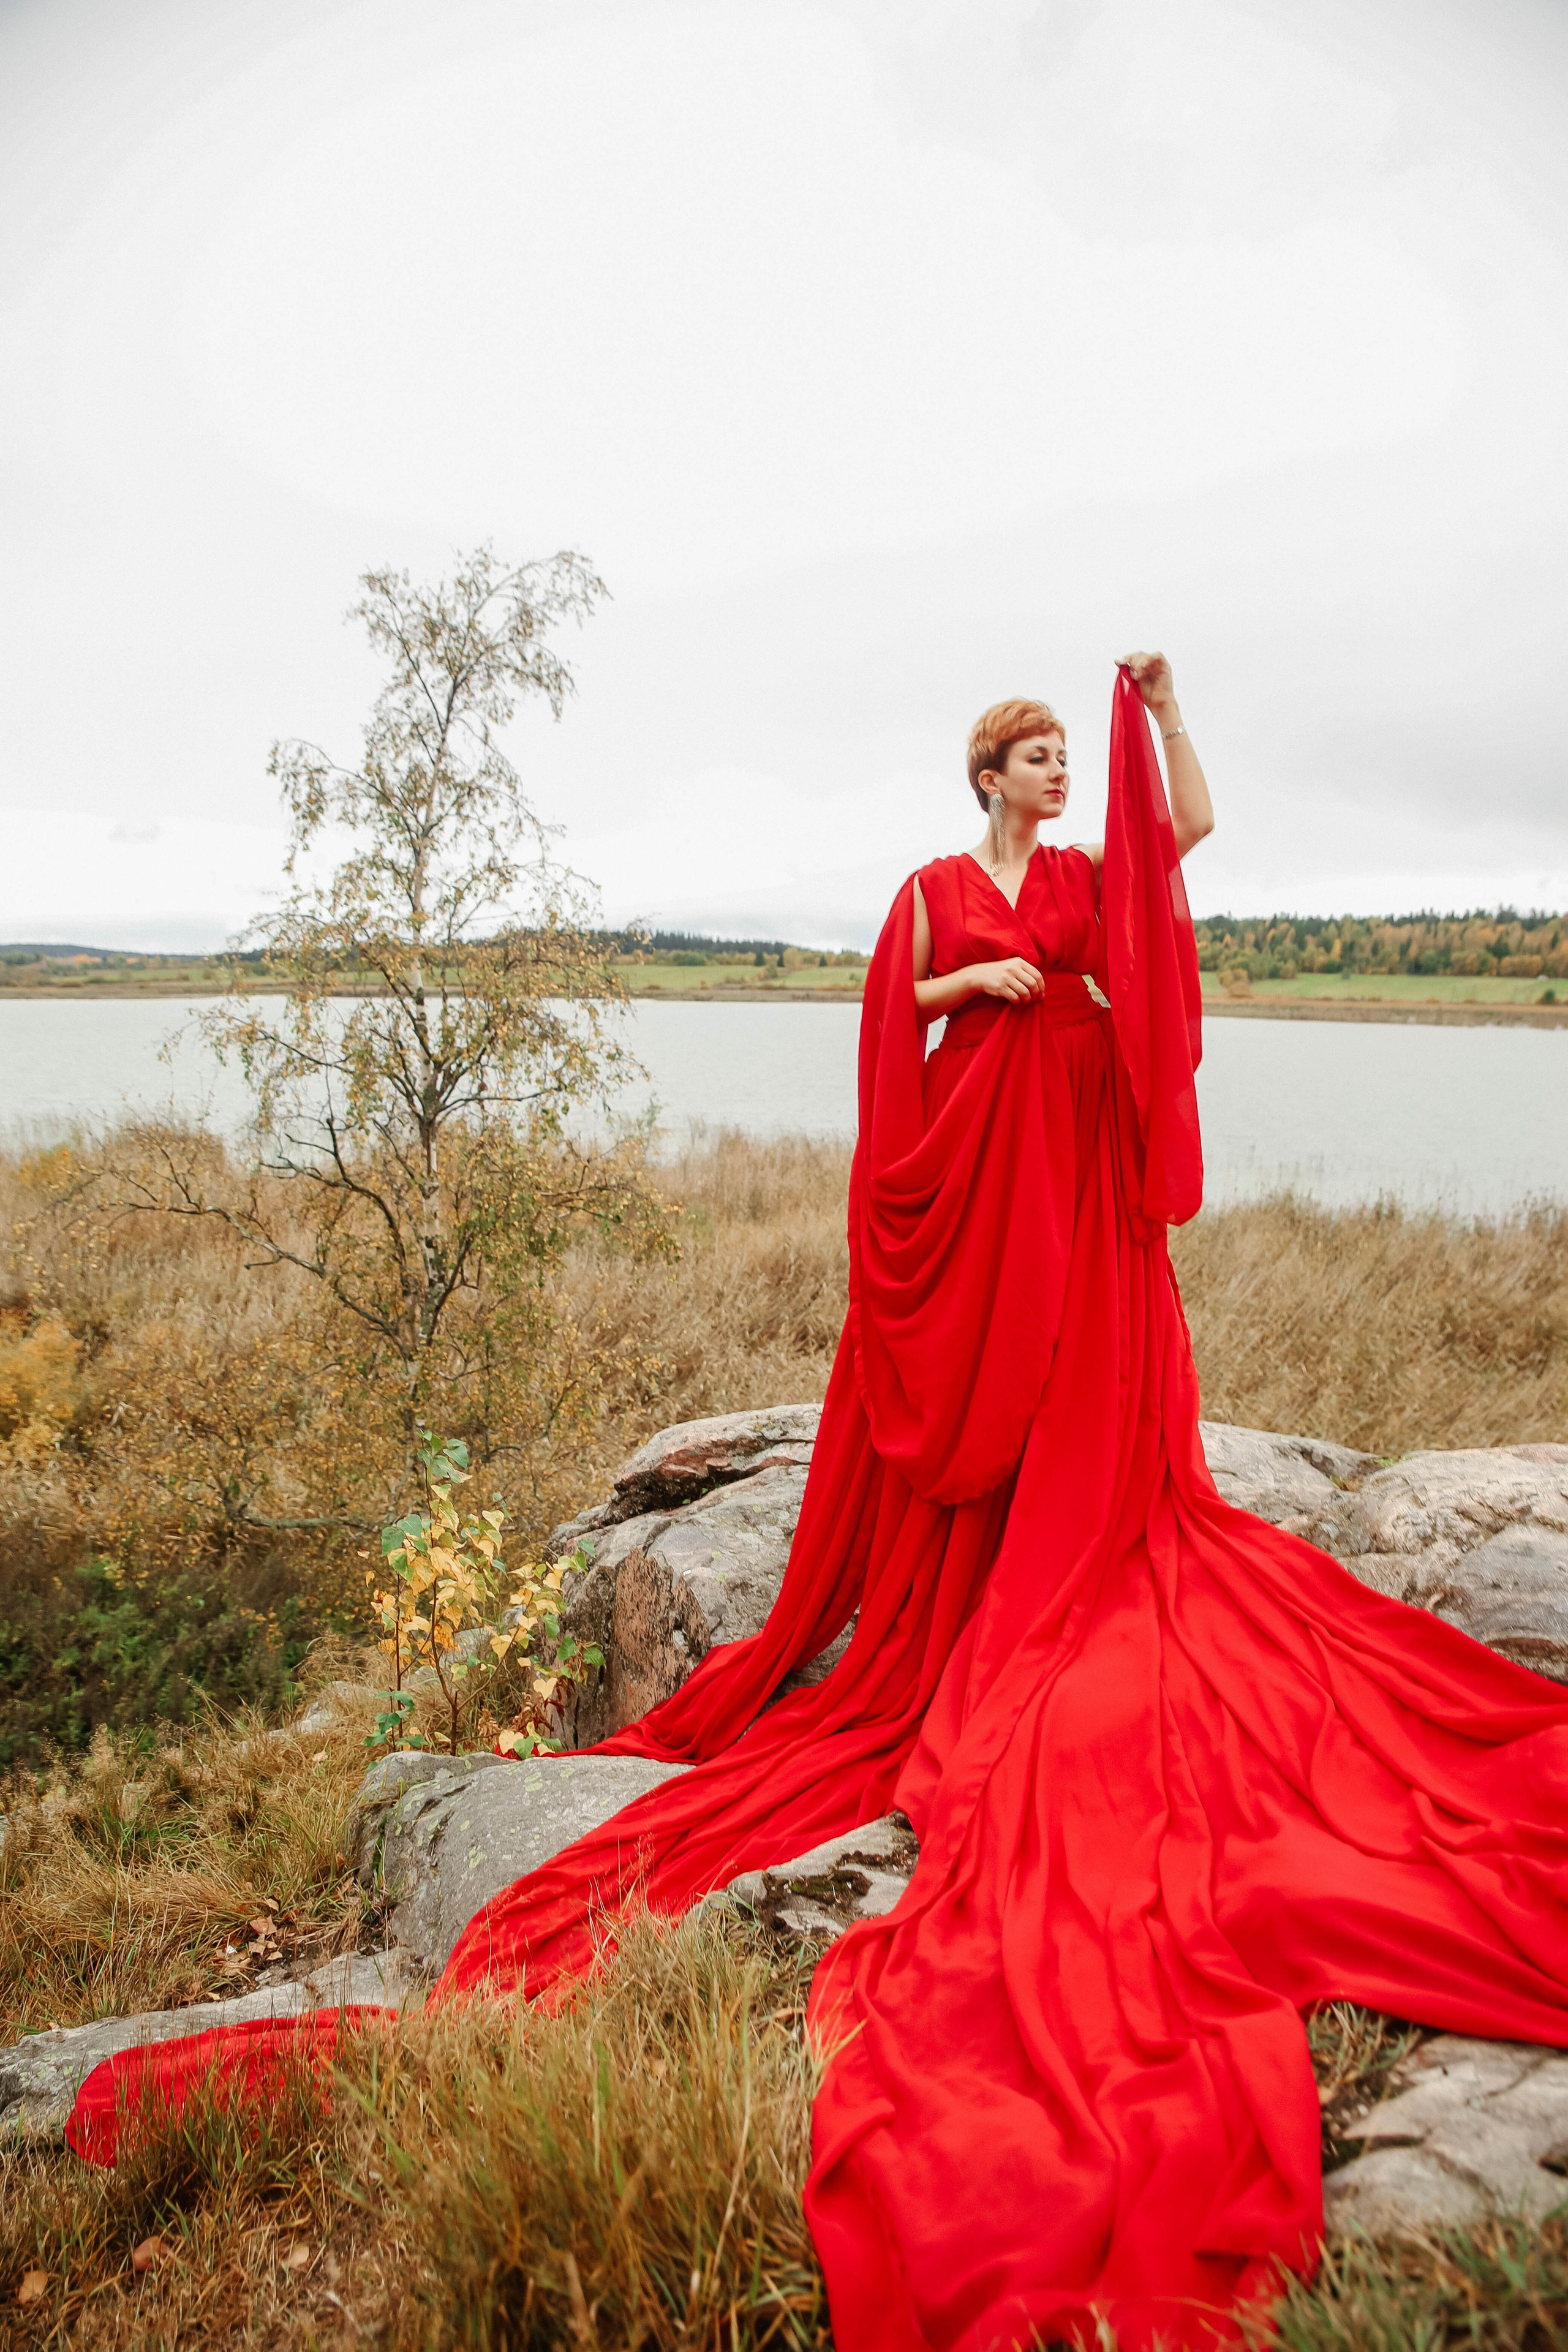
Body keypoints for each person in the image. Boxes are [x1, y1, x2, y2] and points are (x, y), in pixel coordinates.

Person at [72, 662, 1568, 2352]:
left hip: (1080, 1139)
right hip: (992, 1129)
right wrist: (980, 972)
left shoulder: (1091, 874)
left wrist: (1160, 715)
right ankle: (998, 1545)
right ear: (989, 770)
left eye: (1072, 754)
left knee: (1104, 1381)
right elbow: (899, 1003)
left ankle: (1080, 1529)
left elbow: (1193, 837)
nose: (1063, 775)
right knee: (992, 1389)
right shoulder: (939, 888)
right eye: (1042, 755)